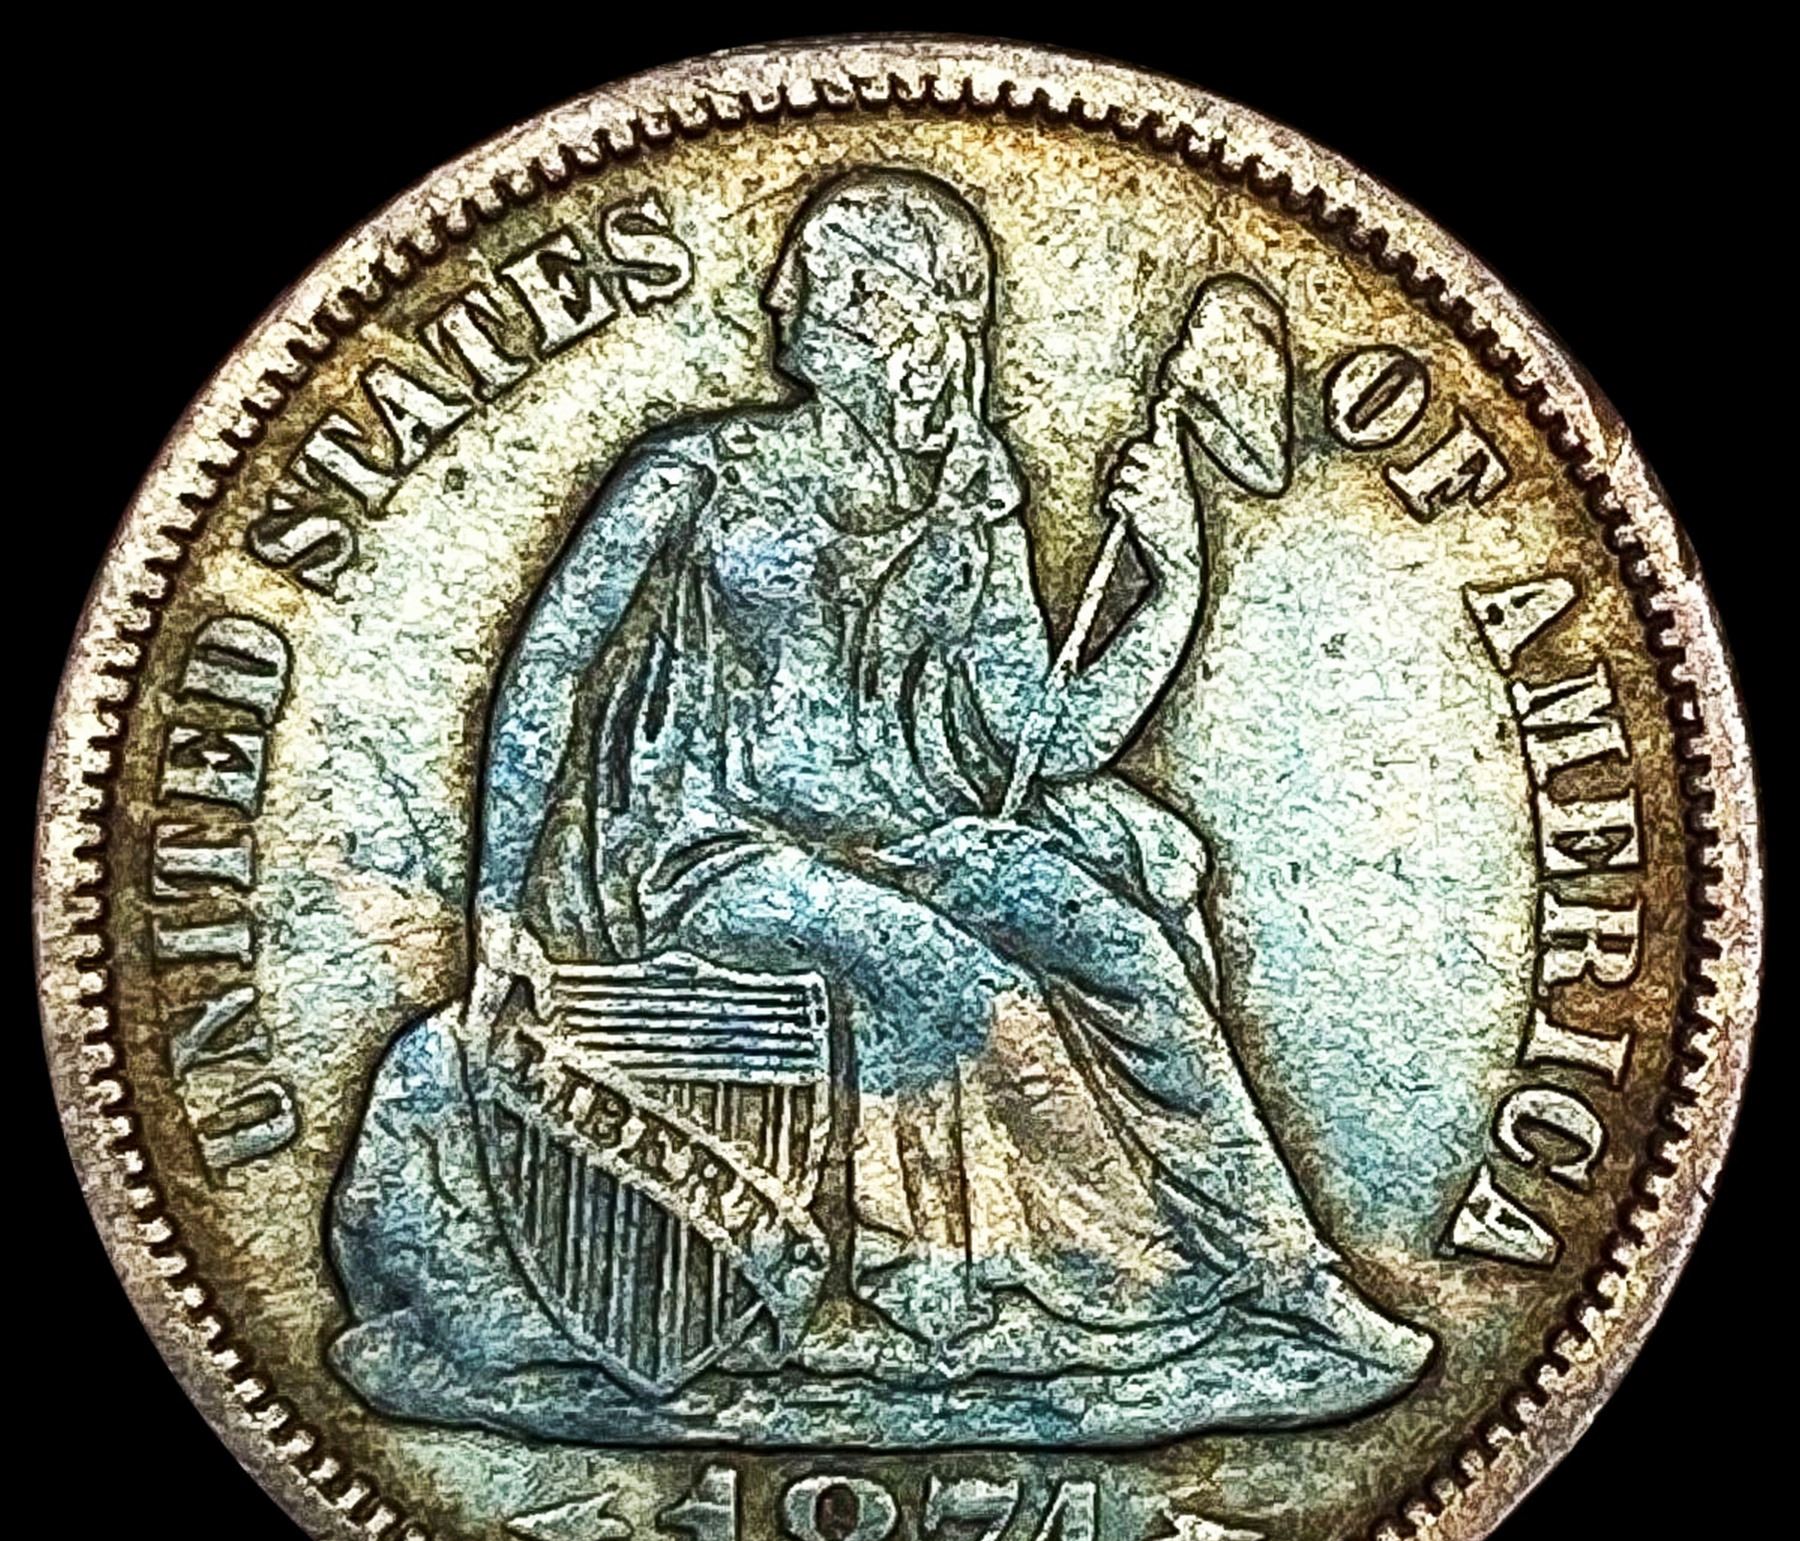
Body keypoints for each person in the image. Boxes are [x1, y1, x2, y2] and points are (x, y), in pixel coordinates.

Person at [328, 168, 1432, 1445]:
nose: (788, 297)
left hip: (918, 832)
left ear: (905, 314)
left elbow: (1046, 736)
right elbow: (548, 673)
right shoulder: (696, 475)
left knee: (1120, 942)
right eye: (802, 271)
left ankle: (1284, 1275)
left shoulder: (972, 497)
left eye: (831, 279)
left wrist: (1171, 580)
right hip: (713, 855)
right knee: (951, 977)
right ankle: (1028, 1291)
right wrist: (498, 904)